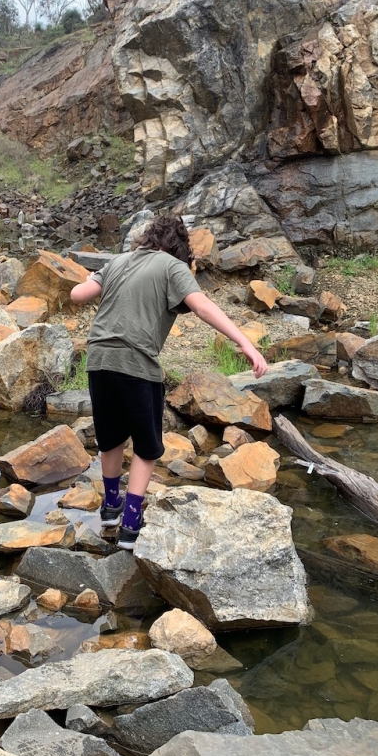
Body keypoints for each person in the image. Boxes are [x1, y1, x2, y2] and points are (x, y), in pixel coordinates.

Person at [70, 215, 268, 550]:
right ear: (178, 247)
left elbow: (77, 294)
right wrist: (245, 343)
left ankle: (109, 509)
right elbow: (202, 307)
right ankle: (130, 526)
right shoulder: (172, 267)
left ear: (149, 237)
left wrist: (95, 276)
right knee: (147, 449)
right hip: (136, 364)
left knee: (111, 438)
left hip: (99, 361)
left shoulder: (118, 262)